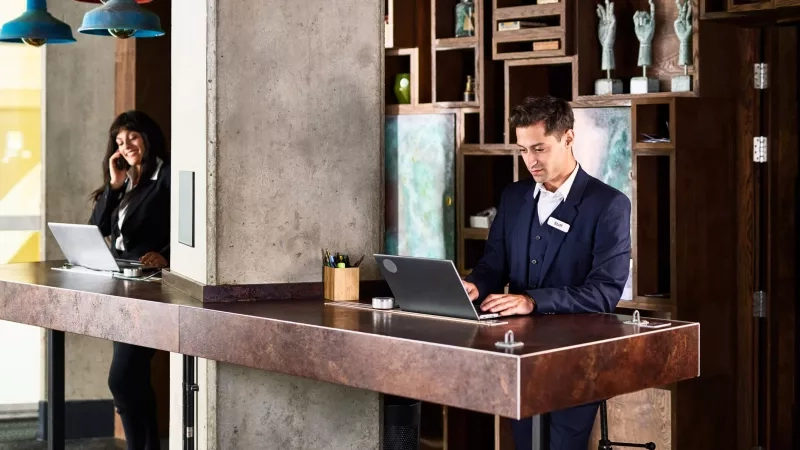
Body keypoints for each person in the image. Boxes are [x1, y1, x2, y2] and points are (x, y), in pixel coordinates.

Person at [462, 96, 631, 450]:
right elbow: (494, 262)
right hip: (519, 353)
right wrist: (475, 285)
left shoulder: (609, 205)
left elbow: (604, 293)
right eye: (523, 150)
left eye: (539, 148)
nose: (530, 161)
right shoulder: (514, 197)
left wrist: (530, 301)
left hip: (578, 357)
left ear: (568, 138)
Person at [89, 110, 170, 450]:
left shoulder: (165, 176)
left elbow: (189, 226)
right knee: (133, 379)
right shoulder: (127, 181)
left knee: (121, 378)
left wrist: (167, 255)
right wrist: (114, 185)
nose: (127, 146)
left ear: (147, 136)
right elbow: (98, 229)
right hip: (119, 286)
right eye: (120, 142)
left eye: (132, 138)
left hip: (148, 289)